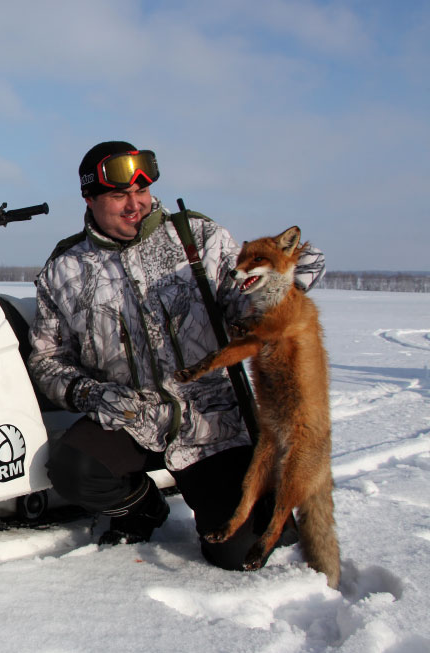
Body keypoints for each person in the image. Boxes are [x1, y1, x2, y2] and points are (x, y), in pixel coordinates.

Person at [28, 141, 325, 570]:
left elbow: (240, 304)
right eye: (119, 196)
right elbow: (47, 358)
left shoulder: (197, 237)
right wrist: (94, 396)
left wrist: (277, 293)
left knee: (239, 552)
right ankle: (141, 506)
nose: (136, 205)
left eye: (142, 192)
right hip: (133, 416)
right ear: (90, 199)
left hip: (212, 423)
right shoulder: (63, 269)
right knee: (73, 468)